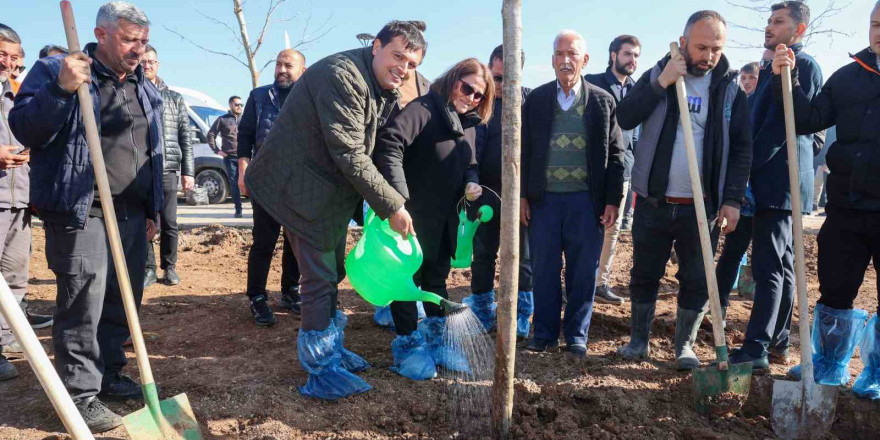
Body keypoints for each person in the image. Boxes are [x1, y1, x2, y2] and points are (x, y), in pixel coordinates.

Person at [244, 20, 425, 399]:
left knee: (332, 271)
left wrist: (389, 197)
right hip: (295, 187)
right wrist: (391, 205)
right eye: (397, 56)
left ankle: (331, 347)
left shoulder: (377, 85)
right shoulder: (342, 76)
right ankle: (321, 369)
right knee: (318, 276)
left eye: (411, 63)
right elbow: (350, 152)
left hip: (325, 189)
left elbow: (372, 147)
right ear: (376, 46)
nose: (403, 68)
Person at [10, 2, 164, 432]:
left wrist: (152, 207)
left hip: (132, 211)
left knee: (123, 297)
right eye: (130, 40)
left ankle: (111, 372)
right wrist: (60, 89)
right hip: (83, 209)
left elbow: (152, 149)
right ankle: (80, 394)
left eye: (144, 42)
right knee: (84, 301)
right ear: (100, 34)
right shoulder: (60, 70)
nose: (138, 49)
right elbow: (26, 128)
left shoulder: (142, 84)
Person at [615, 10, 752, 370]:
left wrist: (733, 199)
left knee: (696, 277)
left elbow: (741, 148)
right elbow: (625, 117)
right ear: (685, 41)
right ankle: (638, 341)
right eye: (701, 46)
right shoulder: (659, 73)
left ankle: (684, 346)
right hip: (654, 201)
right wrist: (661, 82)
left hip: (701, 206)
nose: (708, 56)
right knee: (644, 272)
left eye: (716, 48)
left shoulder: (729, 89)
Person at [768, 0, 880, 393]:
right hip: (846, 206)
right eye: (875, 24)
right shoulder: (848, 77)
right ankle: (830, 365)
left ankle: (876, 372)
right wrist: (790, 79)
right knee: (835, 288)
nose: (878, 32)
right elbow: (810, 119)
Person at [373, 58, 493, 380]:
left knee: (436, 279)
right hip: (412, 217)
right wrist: (398, 201)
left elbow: (470, 162)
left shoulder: (467, 123)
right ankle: (409, 348)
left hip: (444, 220)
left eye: (478, 95)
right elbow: (389, 143)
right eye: (466, 88)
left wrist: (471, 179)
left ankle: (438, 342)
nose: (470, 97)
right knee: (406, 282)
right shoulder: (424, 109)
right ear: (454, 80)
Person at [521, 30, 626, 357]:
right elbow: (523, 151)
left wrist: (612, 200)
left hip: (586, 202)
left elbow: (617, 153)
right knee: (544, 270)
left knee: (583, 271)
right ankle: (545, 334)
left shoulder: (601, 101)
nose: (565, 60)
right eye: (559, 54)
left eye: (572, 54)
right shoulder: (536, 100)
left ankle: (577, 336)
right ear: (552, 59)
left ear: (585, 60)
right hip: (544, 202)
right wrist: (524, 196)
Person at [731, 1, 823, 371]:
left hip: (777, 180)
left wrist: (746, 169)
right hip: (773, 179)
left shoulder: (802, 65)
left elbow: (782, 126)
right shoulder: (772, 66)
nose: (770, 26)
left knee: (768, 267)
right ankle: (778, 342)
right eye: (769, 21)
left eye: (779, 21)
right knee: (782, 266)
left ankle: (755, 349)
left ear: (798, 29)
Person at [461, 44, 533, 338]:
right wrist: (472, 180)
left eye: (508, 78)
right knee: (483, 253)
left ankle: (521, 314)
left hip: (522, 196)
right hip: (486, 193)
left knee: (523, 256)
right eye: (497, 77)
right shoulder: (478, 105)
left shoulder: (530, 103)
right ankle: (481, 307)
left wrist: (529, 192)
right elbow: (470, 150)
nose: (501, 85)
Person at [237, 49, 306, 326]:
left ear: (303, 69)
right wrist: (243, 172)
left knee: (295, 241)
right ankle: (256, 296)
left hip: (298, 182)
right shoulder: (259, 96)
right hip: (265, 181)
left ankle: (290, 291)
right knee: (263, 242)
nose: (282, 69)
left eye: (289, 65)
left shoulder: (309, 98)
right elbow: (244, 136)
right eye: (278, 64)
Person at [584, 34, 642, 306]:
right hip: (590, 171)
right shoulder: (592, 83)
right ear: (613, 55)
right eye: (628, 54)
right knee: (583, 225)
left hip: (622, 173)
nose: (633, 60)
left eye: (636, 55)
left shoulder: (637, 90)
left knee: (613, 228)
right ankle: (577, 281)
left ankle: (599, 283)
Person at [140, 44, 193, 288]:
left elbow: (186, 137)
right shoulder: (133, 93)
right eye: (143, 61)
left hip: (168, 168)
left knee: (170, 222)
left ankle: (169, 267)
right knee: (145, 220)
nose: (147, 65)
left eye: (151, 61)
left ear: (157, 64)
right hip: (140, 170)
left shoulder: (174, 98)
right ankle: (148, 267)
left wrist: (188, 172)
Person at [0, 23, 34, 382]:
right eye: (1, 55)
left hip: (19, 199)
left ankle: (6, 341)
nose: (7, 63)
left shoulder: (17, 97)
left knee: (14, 276)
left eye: (13, 57)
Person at [208, 96, 244, 217]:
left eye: (241, 105)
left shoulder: (246, 119)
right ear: (230, 105)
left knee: (248, 182)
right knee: (234, 184)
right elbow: (211, 134)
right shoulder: (222, 120)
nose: (239, 107)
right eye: (237, 104)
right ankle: (238, 209)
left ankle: (255, 209)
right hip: (230, 158)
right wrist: (217, 151)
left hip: (246, 157)